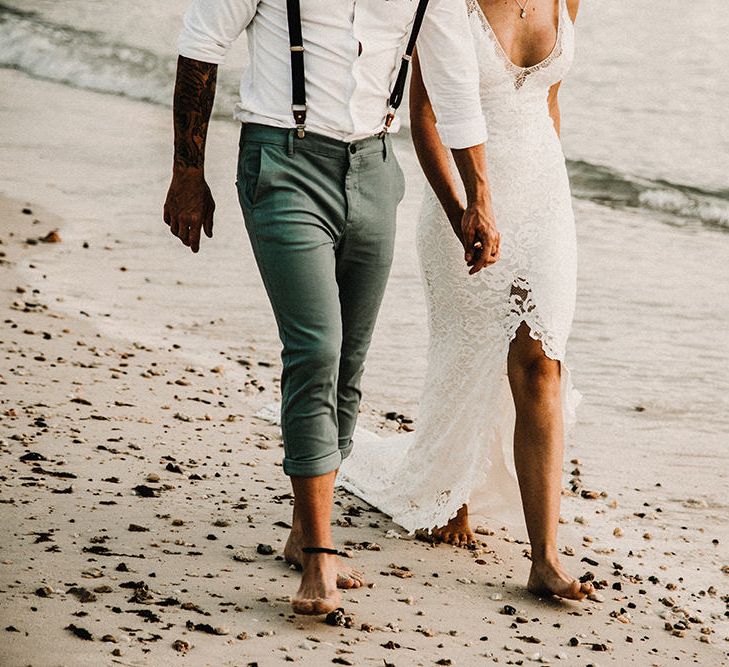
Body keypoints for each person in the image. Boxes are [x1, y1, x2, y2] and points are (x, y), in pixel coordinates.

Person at [163, 0, 500, 615]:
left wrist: (478, 195)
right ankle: (319, 550)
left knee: (348, 363)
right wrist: (187, 171)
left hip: (374, 168)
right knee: (316, 347)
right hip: (281, 163)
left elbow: (454, 83)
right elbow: (201, 44)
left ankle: (302, 526)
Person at [339, 0, 595, 600]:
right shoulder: (446, 3)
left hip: (544, 194)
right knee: (464, 354)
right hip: (462, 199)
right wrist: (461, 211)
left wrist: (553, 197)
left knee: (542, 360)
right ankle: (447, 488)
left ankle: (545, 556)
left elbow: (550, 101)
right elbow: (423, 116)